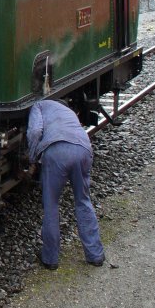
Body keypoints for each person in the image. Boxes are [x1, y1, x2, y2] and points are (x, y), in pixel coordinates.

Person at [26, 99, 105, 270]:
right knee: (83, 200)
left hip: (57, 151)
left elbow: (34, 131)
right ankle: (95, 255)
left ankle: (50, 258)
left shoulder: (38, 106)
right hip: (83, 149)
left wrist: (32, 158)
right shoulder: (69, 112)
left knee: (51, 205)